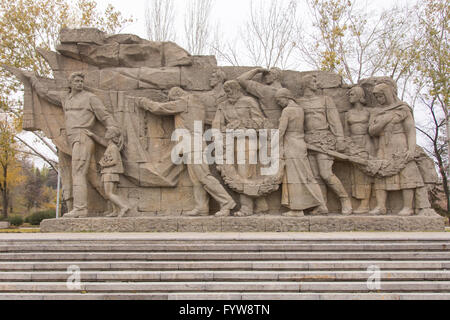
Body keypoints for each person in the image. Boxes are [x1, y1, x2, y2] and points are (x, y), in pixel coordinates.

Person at [27, 71, 119, 218]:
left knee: (78, 173)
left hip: (83, 137)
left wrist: (113, 128)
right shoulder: (65, 98)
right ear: (70, 83)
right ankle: (116, 205)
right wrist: (32, 79)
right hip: (72, 139)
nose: (79, 83)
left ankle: (80, 209)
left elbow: (105, 115)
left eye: (81, 81)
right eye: (76, 81)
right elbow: (44, 94)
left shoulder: (90, 98)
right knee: (93, 178)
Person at [136, 87, 236, 217]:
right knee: (196, 180)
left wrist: (143, 102)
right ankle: (201, 207)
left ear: (177, 94)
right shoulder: (198, 103)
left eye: (172, 99)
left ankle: (227, 202)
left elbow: (159, 108)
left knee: (204, 177)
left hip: (194, 145)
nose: (171, 101)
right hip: (192, 145)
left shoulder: (184, 102)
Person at [298, 74, 352, 215]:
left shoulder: (325, 100)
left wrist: (340, 139)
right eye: (314, 81)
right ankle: (322, 205)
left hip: (324, 140)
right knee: (315, 177)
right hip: (308, 141)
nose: (317, 83)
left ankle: (345, 200)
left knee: (326, 174)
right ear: (306, 84)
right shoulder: (299, 102)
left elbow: (334, 121)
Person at [212, 80, 267, 216]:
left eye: (229, 91)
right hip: (229, 144)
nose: (227, 94)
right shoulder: (223, 105)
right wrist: (218, 136)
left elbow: (260, 121)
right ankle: (260, 204)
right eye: (226, 92)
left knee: (245, 173)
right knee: (232, 174)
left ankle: (247, 207)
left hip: (248, 140)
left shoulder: (248, 101)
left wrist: (240, 123)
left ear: (236, 89)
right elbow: (216, 124)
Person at [368, 83, 424, 215]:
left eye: (381, 96)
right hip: (382, 144)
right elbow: (371, 131)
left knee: (406, 174)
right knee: (381, 172)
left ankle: (408, 207)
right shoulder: (376, 111)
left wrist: (411, 149)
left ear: (388, 94)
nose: (379, 99)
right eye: (376, 97)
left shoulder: (403, 109)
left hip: (400, 143)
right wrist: (384, 121)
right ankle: (381, 206)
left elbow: (410, 131)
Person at [276, 88, 325, 216]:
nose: (278, 103)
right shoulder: (300, 109)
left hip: (291, 145)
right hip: (300, 143)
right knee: (307, 177)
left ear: (286, 97)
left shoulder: (287, 111)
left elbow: (281, 131)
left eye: (279, 100)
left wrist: (273, 145)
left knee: (295, 177)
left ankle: (297, 209)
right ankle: (321, 204)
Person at [85, 128, 130, 217]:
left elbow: (115, 161)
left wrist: (103, 163)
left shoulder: (113, 147)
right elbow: (101, 141)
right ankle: (115, 211)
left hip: (110, 173)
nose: (106, 133)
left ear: (112, 135)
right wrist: (92, 135)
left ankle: (123, 206)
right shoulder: (110, 146)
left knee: (109, 193)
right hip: (108, 172)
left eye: (108, 132)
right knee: (112, 193)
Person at [344, 86, 375, 214]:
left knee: (368, 173)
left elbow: (373, 130)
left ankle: (366, 203)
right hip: (353, 144)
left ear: (359, 95)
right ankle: (361, 202)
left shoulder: (369, 112)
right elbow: (346, 132)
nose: (350, 96)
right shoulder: (348, 114)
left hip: (367, 142)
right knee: (357, 176)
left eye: (352, 94)